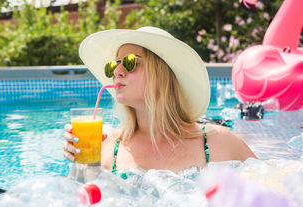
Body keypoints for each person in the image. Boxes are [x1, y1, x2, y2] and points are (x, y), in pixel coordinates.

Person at [63, 27, 256, 176]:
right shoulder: (107, 150)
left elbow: (277, 193)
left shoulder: (219, 143)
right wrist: (80, 167)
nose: (116, 71)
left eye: (130, 62)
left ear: (162, 74)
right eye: (114, 64)